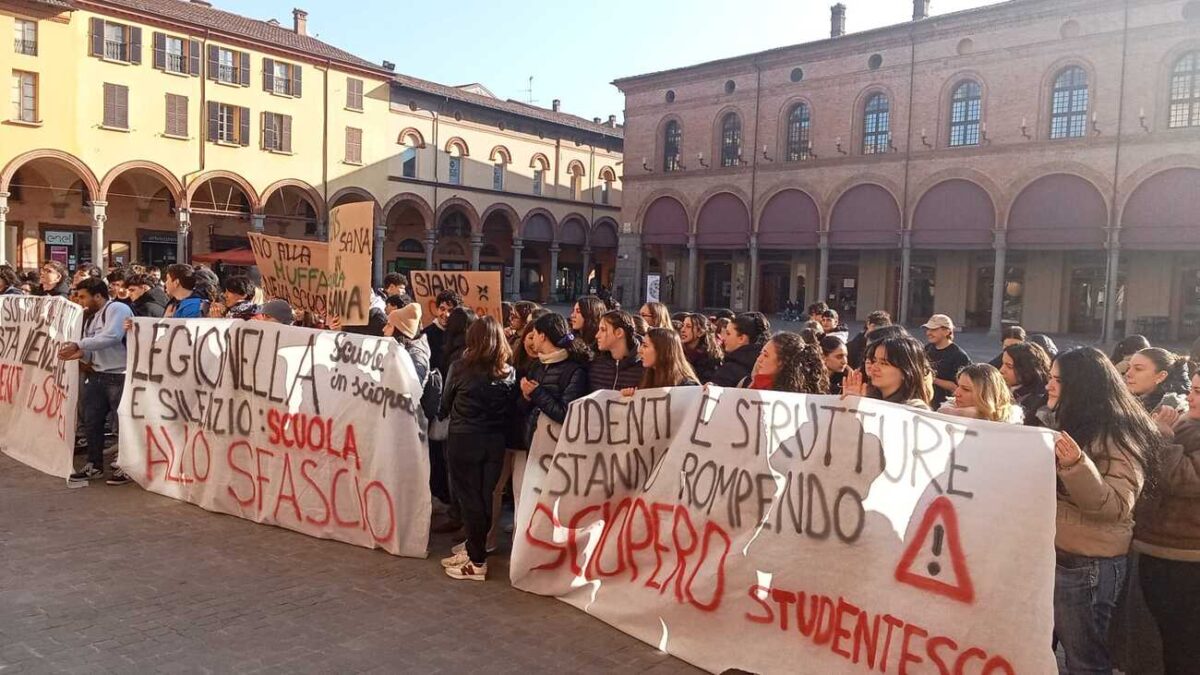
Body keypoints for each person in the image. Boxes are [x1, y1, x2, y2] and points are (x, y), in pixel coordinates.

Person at [1042, 347, 1161, 674]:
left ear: (1081, 385)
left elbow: (1115, 506)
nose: (1049, 386)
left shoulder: (1120, 433)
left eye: (1057, 380)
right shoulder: (1067, 420)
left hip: (1087, 565)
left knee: (1085, 662)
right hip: (1054, 555)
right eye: (1049, 378)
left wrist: (1076, 465)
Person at [438, 316, 518, 581]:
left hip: (464, 439)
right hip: (494, 441)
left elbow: (444, 405)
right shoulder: (509, 371)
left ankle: (477, 561)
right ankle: (475, 551)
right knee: (484, 498)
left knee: (470, 499)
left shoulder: (460, 367)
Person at [1135, 375, 1200, 674]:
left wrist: (1161, 435)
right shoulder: (1188, 423)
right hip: (1156, 547)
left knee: (1184, 643)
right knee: (1166, 637)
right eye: (1191, 389)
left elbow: (1181, 478)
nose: (1190, 397)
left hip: (1186, 556)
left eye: (1198, 391)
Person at [58, 278, 134, 485]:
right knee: (92, 422)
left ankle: (126, 466)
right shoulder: (90, 317)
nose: (80, 301)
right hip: (97, 374)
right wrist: (81, 354)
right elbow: (93, 347)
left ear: (98, 295)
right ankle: (94, 464)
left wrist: (78, 345)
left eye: (83, 296)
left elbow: (112, 336)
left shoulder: (117, 308)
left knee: (124, 425)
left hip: (120, 375)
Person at [520, 312, 591, 450]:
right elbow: (524, 409)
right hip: (534, 443)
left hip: (557, 448)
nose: (532, 339)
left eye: (534, 334)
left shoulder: (575, 371)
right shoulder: (537, 365)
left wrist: (536, 393)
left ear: (543, 336)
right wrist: (525, 396)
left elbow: (566, 414)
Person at [842, 334, 934, 409]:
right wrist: (852, 405)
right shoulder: (868, 398)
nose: (874, 367)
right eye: (874, 360)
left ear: (906, 371)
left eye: (884, 363)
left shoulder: (916, 410)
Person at [621, 327, 698, 395]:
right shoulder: (646, 377)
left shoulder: (687, 386)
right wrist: (629, 398)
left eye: (645, 346)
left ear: (662, 350)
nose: (639, 350)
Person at [939, 363, 1023, 423]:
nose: (956, 393)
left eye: (966, 389)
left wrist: (979, 415)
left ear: (987, 395)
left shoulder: (1011, 426)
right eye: (958, 386)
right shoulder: (947, 409)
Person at [749, 332, 829, 394]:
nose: (759, 359)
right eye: (761, 353)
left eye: (765, 355)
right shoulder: (755, 385)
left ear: (782, 361)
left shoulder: (804, 395)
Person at [923, 314, 971, 409]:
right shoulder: (927, 349)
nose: (928, 333)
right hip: (926, 403)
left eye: (933, 329)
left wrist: (931, 378)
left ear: (947, 331)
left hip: (945, 407)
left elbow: (958, 387)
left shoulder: (959, 356)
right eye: (928, 329)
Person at [710, 312, 770, 387]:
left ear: (741, 338)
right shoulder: (769, 366)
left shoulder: (729, 371)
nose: (724, 338)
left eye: (728, 334)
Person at [589, 310, 643, 391]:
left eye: (603, 330)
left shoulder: (643, 368)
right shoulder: (595, 365)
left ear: (619, 333)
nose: (597, 335)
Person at [1000, 342, 1051, 427]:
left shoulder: (1037, 400)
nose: (1001, 370)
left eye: (1009, 367)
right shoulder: (1005, 389)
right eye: (1002, 364)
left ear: (1027, 369)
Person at [1125, 347, 1190, 413]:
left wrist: (1157, 423)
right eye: (1128, 367)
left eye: (1138, 369)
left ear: (1161, 376)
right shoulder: (1125, 401)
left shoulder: (1173, 411)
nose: (1128, 374)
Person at [424, 290, 462, 376]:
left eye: (451, 311)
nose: (446, 314)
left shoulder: (461, 335)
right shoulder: (426, 335)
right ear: (437, 309)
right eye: (442, 309)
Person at [680, 313, 722, 383]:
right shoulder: (678, 352)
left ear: (700, 332)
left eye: (688, 326)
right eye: (683, 325)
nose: (682, 330)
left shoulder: (710, 358)